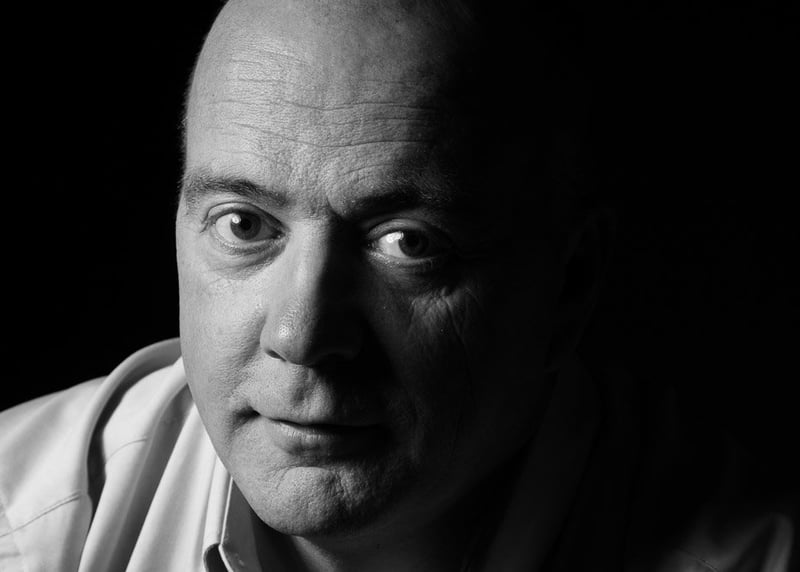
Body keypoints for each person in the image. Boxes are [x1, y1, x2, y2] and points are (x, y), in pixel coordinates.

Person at [0, 1, 794, 571]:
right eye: (244, 224)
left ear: (570, 283)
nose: (303, 336)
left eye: (407, 242)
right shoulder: (22, 526)